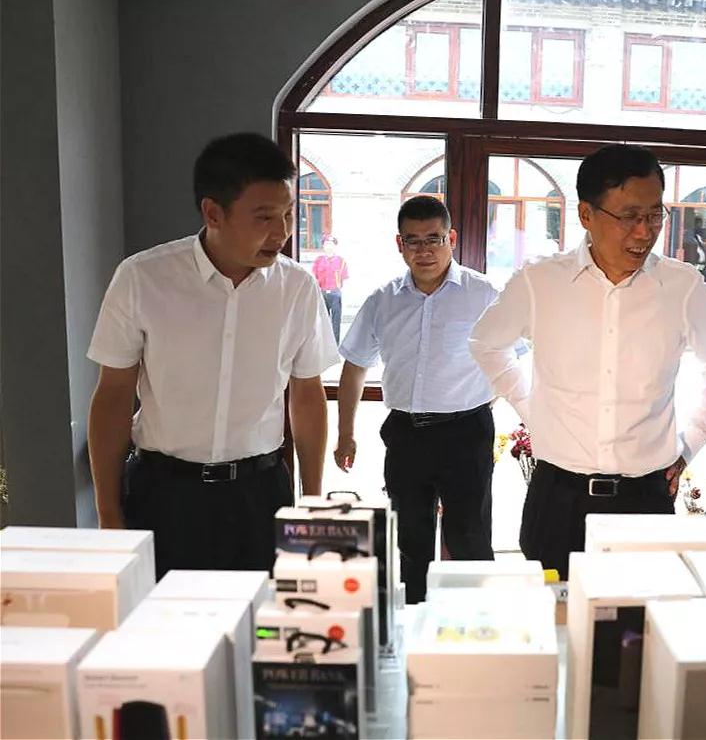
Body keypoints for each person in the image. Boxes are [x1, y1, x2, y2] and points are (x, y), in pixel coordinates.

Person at [470, 144, 706, 579]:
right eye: (629, 216)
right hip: (558, 496)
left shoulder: (683, 287)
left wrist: (688, 446)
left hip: (645, 497)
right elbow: (486, 343)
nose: (644, 232)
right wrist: (531, 410)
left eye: (654, 215)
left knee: (639, 616)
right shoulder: (540, 282)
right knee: (555, 613)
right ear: (586, 214)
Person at [87, 132, 339, 578]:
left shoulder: (297, 288)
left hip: (259, 494)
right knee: (158, 617)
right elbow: (113, 396)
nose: (281, 232)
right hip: (164, 495)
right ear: (213, 213)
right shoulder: (143, 278)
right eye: (264, 217)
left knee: (263, 617)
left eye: (287, 214)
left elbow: (306, 396)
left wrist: (313, 502)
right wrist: (108, 513)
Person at [334, 195, 504, 603]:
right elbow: (354, 367)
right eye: (413, 240)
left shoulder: (483, 294)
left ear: (452, 239)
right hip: (406, 434)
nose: (424, 250)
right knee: (410, 539)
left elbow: (508, 361)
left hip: (466, 432)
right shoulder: (383, 300)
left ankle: (478, 621)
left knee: (470, 538)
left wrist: (484, 402)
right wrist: (345, 434)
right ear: (400, 244)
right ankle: (414, 619)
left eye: (434, 239)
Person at [312, 235, 348, 345]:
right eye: (327, 244)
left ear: (335, 246)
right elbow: (314, 276)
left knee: (336, 321)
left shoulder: (341, 261)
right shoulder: (318, 261)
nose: (329, 247)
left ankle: (335, 345)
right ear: (323, 246)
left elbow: (343, 277)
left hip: (335, 293)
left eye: (331, 244)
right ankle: (324, 344)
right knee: (323, 320)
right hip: (322, 293)